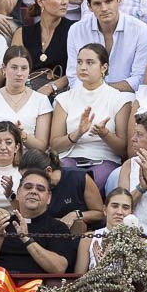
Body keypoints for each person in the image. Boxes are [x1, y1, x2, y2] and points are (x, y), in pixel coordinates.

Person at [50, 43, 132, 193]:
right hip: (70, 157)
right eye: (79, 62)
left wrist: (104, 134)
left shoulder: (119, 100)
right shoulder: (64, 99)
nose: (82, 67)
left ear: (104, 67)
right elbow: (54, 145)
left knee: (95, 182)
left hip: (104, 159)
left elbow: (123, 150)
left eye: (90, 62)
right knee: (65, 177)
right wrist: (77, 133)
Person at [0, 168, 79, 273]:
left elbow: (59, 268)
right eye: (28, 187)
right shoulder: (2, 225)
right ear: (18, 193)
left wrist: (27, 239)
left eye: (40, 189)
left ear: (49, 198)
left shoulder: (58, 228)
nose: (33, 191)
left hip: (40, 287)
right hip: (0, 285)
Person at [66, 0, 147, 93]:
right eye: (97, 3)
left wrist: (102, 91)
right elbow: (73, 77)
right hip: (86, 96)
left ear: (119, 0)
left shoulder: (141, 30)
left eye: (108, 1)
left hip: (126, 97)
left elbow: (140, 79)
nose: (104, 8)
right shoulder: (76, 30)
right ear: (89, 6)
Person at [0, 45, 53, 153]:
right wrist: (3, 141)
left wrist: (22, 135)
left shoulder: (41, 100)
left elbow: (41, 146)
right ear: (4, 68)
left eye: (24, 68)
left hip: (28, 162)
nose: (19, 73)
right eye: (14, 67)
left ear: (29, 70)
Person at [20, 146, 105, 231]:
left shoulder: (79, 178)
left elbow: (99, 213)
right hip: (47, 233)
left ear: (48, 171)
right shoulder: (28, 187)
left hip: (82, 233)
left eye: (32, 176)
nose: (27, 181)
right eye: (24, 177)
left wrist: (75, 215)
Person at [14, 0, 72, 99]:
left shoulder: (74, 29)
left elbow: (78, 70)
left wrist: (51, 87)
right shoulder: (22, 33)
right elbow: (14, 68)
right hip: (28, 93)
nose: (64, 2)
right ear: (40, 2)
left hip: (62, 95)